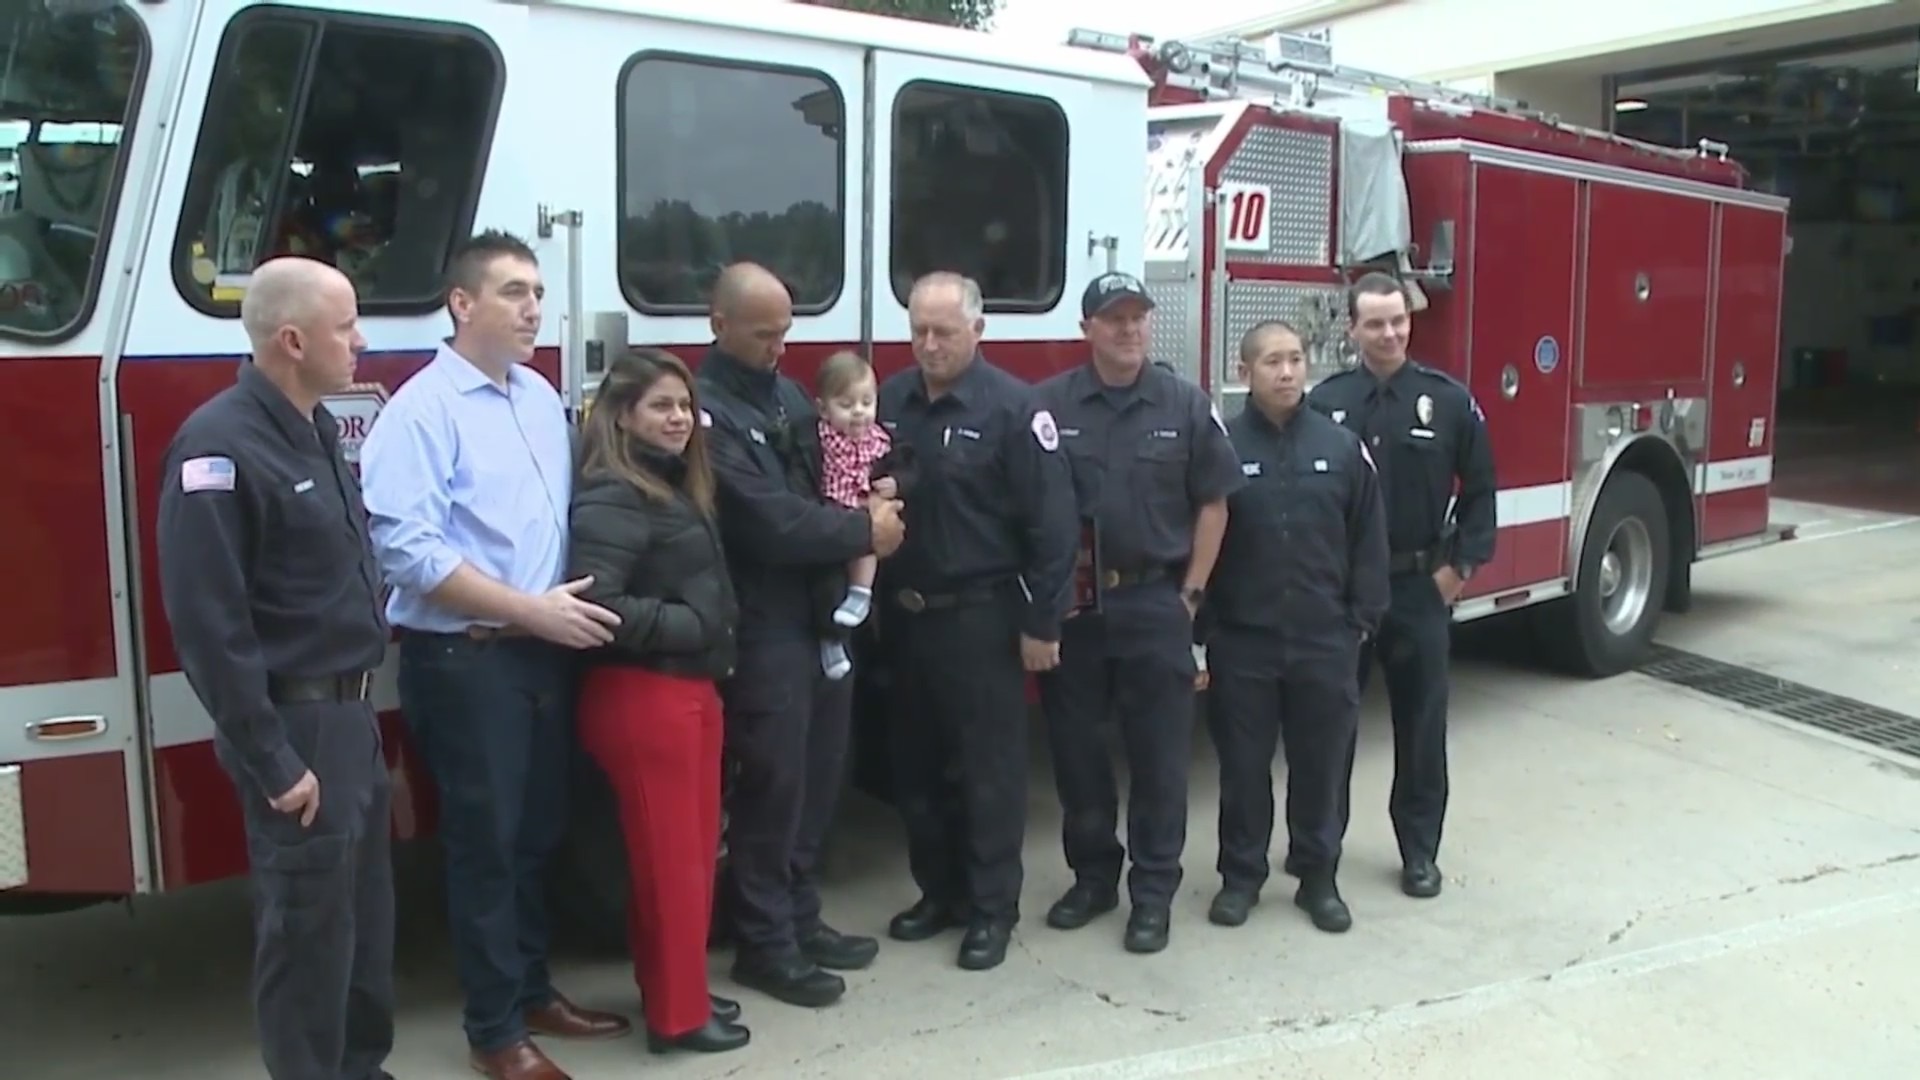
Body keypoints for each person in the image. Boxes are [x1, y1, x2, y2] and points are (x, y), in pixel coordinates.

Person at [360, 230, 631, 1080]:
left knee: (539, 834)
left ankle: (533, 989)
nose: (535, 309)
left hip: (543, 654)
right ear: (462, 304)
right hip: (470, 661)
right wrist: (527, 613)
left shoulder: (537, 395)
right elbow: (409, 554)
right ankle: (494, 1032)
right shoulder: (421, 411)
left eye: (538, 293)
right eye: (514, 292)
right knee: (486, 842)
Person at [154, 255, 395, 1080]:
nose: (361, 340)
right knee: (307, 942)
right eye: (346, 326)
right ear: (292, 340)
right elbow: (209, 626)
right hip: (296, 731)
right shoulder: (218, 446)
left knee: (362, 927)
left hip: (348, 721)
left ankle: (362, 1069)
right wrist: (273, 761)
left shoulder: (316, 426)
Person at [695, 261, 906, 1008]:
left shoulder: (785, 395)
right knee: (773, 789)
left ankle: (800, 915)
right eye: (763, 335)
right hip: (762, 627)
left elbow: (829, 479)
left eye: (786, 332)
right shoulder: (705, 412)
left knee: (820, 780)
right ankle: (764, 943)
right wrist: (862, 530)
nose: (779, 348)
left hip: (818, 617)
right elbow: (767, 520)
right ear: (719, 325)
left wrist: (874, 497)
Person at [1033, 271, 1244, 954]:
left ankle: (1152, 891)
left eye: (1138, 317)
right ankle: (1093, 877)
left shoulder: (1184, 403)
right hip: (1078, 606)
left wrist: (1189, 596)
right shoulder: (1049, 407)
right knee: (1078, 753)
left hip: (1157, 602)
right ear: (1087, 329)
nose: (1129, 329)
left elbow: (1215, 501)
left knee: (1159, 760)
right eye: (1113, 319)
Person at [876, 271, 1079, 971]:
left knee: (988, 775)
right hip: (906, 619)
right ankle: (939, 894)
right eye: (919, 331)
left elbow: (1053, 530)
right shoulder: (891, 401)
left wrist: (1042, 624)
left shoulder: (1015, 411)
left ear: (978, 331)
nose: (929, 345)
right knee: (916, 769)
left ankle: (992, 909)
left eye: (944, 332)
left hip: (982, 620)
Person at [566, 347, 749, 1056]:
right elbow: (597, 602)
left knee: (690, 860)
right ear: (623, 415)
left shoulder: (672, 485)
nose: (678, 419)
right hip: (644, 698)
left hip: (688, 691)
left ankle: (679, 989)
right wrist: (693, 626)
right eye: (661, 406)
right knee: (672, 867)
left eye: (683, 405)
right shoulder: (616, 491)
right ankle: (677, 1019)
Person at [1307, 271, 1497, 899]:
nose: (1389, 333)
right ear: (1352, 328)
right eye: (1376, 323)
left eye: (1399, 321)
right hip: (1341, 595)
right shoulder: (1326, 403)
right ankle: (1319, 847)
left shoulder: (1447, 401)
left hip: (1418, 589)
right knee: (1330, 726)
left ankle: (1419, 851)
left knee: (1421, 727)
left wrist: (1456, 571)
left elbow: (1481, 493)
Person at [1202, 320, 1390, 933]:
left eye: (1295, 359)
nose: (1286, 372)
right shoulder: (1222, 448)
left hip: (1324, 640)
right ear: (1244, 371)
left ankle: (1318, 878)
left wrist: (1360, 620)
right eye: (1271, 362)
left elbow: (1369, 537)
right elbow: (1201, 540)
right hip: (1244, 641)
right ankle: (1241, 877)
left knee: (1321, 766)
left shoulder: (1340, 447)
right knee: (1243, 767)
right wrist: (1205, 630)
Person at [814, 348, 893, 678]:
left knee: (868, 546)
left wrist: (894, 482)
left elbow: (904, 465)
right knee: (825, 585)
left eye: (866, 402)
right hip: (828, 515)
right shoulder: (818, 437)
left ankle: (862, 593)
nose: (859, 413)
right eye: (846, 406)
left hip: (861, 511)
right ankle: (830, 641)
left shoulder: (879, 439)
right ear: (822, 408)